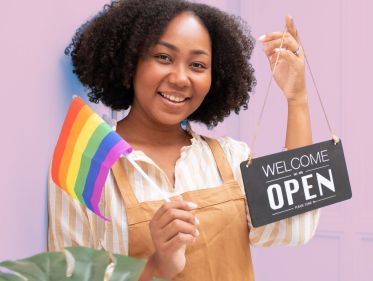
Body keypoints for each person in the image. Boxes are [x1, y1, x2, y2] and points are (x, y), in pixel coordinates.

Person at [47, 0, 319, 280]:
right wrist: (156, 266)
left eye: (198, 65)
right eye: (164, 57)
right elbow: (68, 276)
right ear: (130, 60)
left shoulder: (230, 157)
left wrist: (297, 99)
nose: (180, 78)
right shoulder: (86, 163)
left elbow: (294, 225)